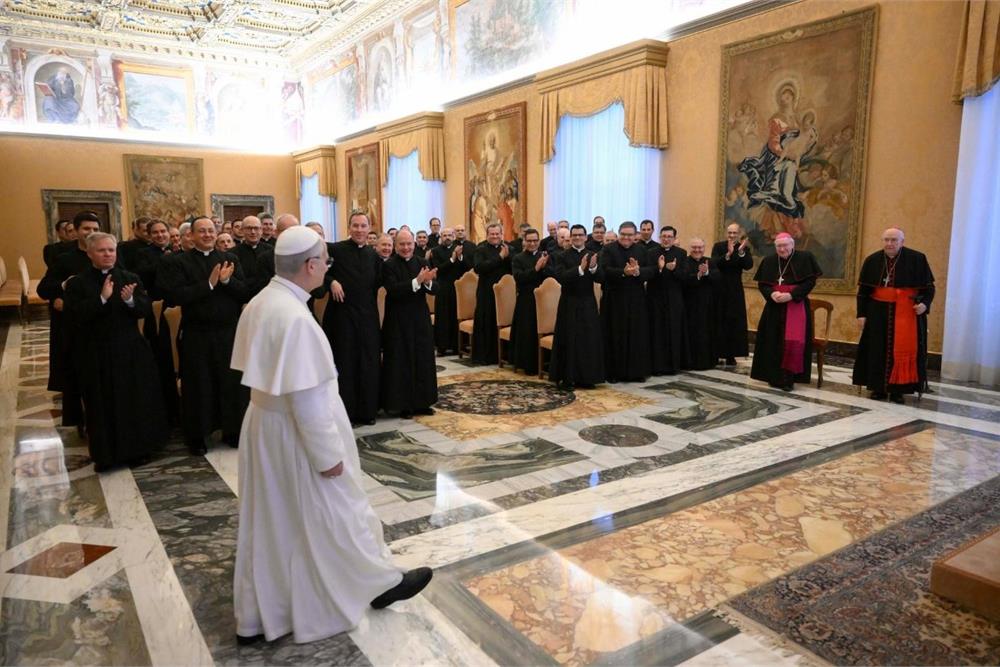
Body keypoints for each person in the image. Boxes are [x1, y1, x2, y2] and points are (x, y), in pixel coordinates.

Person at [231, 226, 432, 646]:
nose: (328, 266)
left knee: (277, 522)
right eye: (324, 260)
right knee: (336, 512)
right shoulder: (294, 318)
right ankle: (373, 585)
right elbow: (306, 398)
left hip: (266, 425)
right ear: (309, 265)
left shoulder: (263, 301)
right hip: (295, 434)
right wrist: (328, 457)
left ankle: (265, 611)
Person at [63, 233, 168, 471]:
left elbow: (144, 310)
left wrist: (130, 301)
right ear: (89, 253)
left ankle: (138, 450)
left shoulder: (130, 278)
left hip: (130, 349)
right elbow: (75, 316)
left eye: (111, 250)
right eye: (102, 250)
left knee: (134, 400)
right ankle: (106, 455)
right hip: (97, 352)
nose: (108, 254)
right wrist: (101, 299)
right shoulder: (78, 283)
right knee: (102, 404)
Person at [160, 217, 250, 453]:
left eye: (211, 230)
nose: (208, 235)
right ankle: (198, 435)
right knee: (199, 385)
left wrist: (227, 281)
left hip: (229, 332)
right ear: (191, 235)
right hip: (197, 333)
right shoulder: (178, 262)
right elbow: (175, 295)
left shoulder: (230, 259)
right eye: (202, 231)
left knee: (230, 382)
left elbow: (245, 293)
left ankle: (232, 430)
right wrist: (208, 285)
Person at [852, 228, 935, 403]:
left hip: (907, 313)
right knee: (877, 350)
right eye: (886, 240)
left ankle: (899, 390)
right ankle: (878, 389)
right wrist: (861, 314)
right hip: (877, 313)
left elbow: (929, 288)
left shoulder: (917, 259)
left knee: (902, 350)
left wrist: (925, 304)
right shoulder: (872, 260)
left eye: (894, 240)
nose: (889, 243)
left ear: (902, 242)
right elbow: (863, 292)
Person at [37, 211, 101, 433]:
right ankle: (81, 421)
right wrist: (63, 288)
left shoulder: (107, 253)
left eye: (95, 229)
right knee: (77, 375)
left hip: (101, 325)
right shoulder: (65, 258)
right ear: (76, 230)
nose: (91, 233)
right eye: (86, 229)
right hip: (75, 327)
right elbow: (44, 289)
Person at [322, 212, 383, 426]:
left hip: (367, 317)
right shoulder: (335, 250)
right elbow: (319, 271)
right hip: (342, 317)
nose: (359, 230)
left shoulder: (373, 255)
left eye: (363, 226)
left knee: (368, 362)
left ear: (369, 228)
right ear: (349, 228)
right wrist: (331, 281)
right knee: (345, 362)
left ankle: (367, 411)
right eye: (355, 225)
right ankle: (346, 412)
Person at [750, 233, 822, 390]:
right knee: (772, 341)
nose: (782, 249)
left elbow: (810, 282)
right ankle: (773, 377)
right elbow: (763, 284)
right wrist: (771, 294)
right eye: (778, 246)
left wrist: (791, 295)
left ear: (792, 245)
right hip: (774, 308)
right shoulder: (769, 261)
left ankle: (788, 379)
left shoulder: (805, 258)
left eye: (785, 245)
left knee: (792, 342)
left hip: (796, 305)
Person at [380, 230, 438, 417]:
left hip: (420, 318)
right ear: (395, 246)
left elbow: (435, 289)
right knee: (401, 361)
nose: (406, 248)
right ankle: (403, 405)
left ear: (414, 244)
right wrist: (417, 281)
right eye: (402, 244)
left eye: (409, 244)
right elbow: (393, 290)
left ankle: (422, 402)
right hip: (398, 320)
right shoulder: (388, 265)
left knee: (423, 359)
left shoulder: (422, 262)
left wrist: (428, 282)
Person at [134, 219, 180, 424]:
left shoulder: (177, 253)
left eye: (163, 231)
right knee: (162, 358)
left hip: (176, 307)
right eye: (156, 232)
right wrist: (165, 260)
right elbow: (142, 275)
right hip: (155, 312)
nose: (160, 235)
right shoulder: (143, 254)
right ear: (150, 235)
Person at [550, 224, 604, 389]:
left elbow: (601, 278)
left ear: (586, 237)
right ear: (571, 237)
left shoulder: (593, 255)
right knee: (569, 339)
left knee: (588, 339)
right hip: (569, 302)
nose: (577, 237)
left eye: (580, 235)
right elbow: (561, 277)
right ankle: (567, 378)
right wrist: (580, 269)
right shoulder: (561, 256)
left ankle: (586, 378)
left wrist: (593, 268)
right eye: (574, 235)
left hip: (588, 302)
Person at [600, 222, 653, 382]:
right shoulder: (609, 249)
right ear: (619, 233)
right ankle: (614, 373)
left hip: (636, 300)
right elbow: (604, 271)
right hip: (614, 299)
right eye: (623, 234)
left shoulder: (642, 250)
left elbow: (651, 270)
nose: (626, 237)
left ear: (635, 235)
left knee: (636, 335)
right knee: (615, 334)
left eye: (629, 235)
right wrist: (623, 272)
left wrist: (637, 271)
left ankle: (636, 372)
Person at [647, 226, 689, 375]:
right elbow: (647, 274)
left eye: (669, 237)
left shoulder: (681, 253)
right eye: (663, 236)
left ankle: (673, 366)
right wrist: (659, 268)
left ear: (674, 238)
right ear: (659, 237)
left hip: (674, 299)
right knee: (657, 331)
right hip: (655, 298)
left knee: (674, 331)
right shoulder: (651, 253)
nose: (666, 239)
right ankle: (657, 366)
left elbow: (685, 276)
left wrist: (673, 270)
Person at [711, 223, 753, 365]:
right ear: (726, 233)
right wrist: (728, 255)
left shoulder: (743, 248)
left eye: (734, 233)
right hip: (719, 288)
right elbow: (714, 263)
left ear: (739, 233)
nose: (732, 235)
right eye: (729, 232)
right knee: (718, 320)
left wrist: (740, 252)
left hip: (735, 290)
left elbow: (748, 265)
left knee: (734, 321)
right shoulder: (718, 246)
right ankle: (717, 353)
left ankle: (731, 355)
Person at [510, 229, 550, 374]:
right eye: (529, 241)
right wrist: (536, 268)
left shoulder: (545, 256)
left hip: (544, 300)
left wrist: (544, 268)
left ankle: (545, 362)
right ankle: (528, 365)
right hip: (526, 300)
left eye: (535, 241)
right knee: (527, 332)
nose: (532, 243)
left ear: (539, 241)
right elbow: (519, 278)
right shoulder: (518, 258)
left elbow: (551, 276)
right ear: (524, 242)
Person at [471, 223, 511, 364]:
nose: (495, 236)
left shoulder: (508, 248)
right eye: (492, 234)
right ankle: (485, 356)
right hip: (486, 291)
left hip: (505, 294)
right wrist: (499, 257)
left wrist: (506, 257)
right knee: (487, 321)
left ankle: (504, 354)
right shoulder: (480, 249)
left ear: (501, 234)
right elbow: (479, 268)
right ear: (487, 235)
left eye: (497, 234)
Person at [430, 227, 470, 355]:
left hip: (457, 289)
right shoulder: (435, 251)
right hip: (443, 287)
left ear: (453, 236)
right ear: (441, 237)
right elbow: (438, 269)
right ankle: (442, 347)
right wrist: (452, 259)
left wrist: (460, 257)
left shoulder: (459, 249)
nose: (447, 237)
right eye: (445, 235)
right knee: (443, 317)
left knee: (455, 316)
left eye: (449, 235)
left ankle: (457, 346)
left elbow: (468, 268)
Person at [683, 238, 720, 370]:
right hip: (689, 305)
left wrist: (707, 273)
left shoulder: (710, 261)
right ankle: (690, 362)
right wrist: (698, 275)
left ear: (704, 248)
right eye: (694, 247)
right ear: (690, 248)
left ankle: (707, 361)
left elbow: (718, 278)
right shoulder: (684, 261)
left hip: (707, 305)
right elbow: (683, 279)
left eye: (700, 247)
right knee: (691, 333)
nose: (697, 250)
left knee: (706, 332)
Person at [233, 216, 270, 296]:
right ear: (242, 230)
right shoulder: (232, 253)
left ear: (261, 230)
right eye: (249, 228)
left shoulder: (271, 251)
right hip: (242, 297)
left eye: (256, 228)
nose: (253, 232)